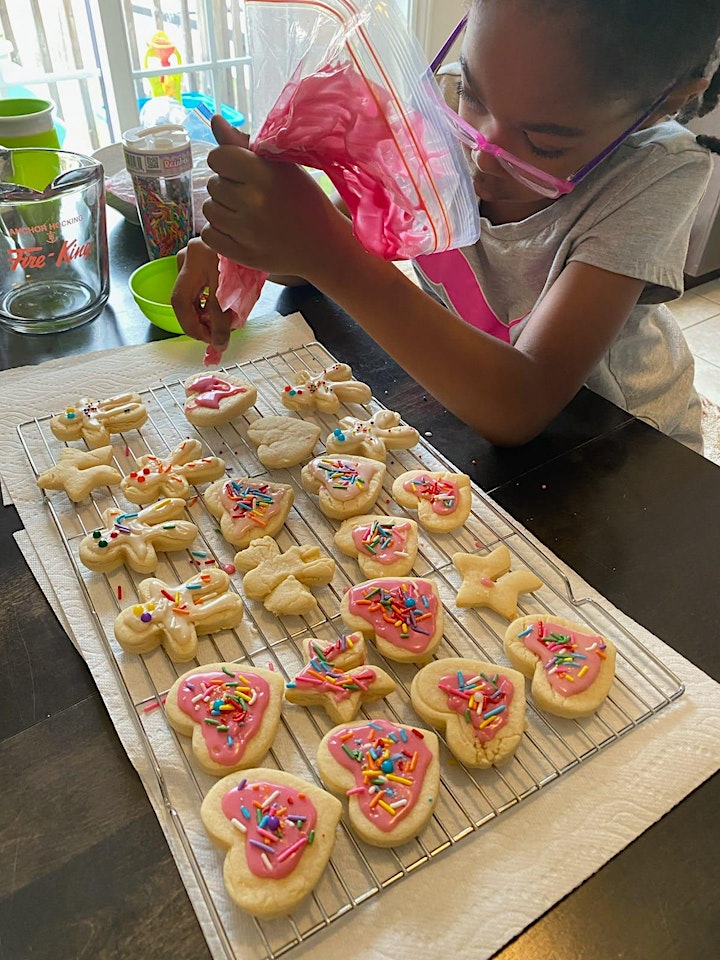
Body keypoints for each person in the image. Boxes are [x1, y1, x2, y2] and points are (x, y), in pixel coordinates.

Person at [171, 0, 720, 451]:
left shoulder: (657, 173)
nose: (483, 155)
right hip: (464, 397)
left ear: (662, 106)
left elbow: (519, 406)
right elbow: (311, 263)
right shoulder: (434, 105)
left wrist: (325, 252)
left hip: (619, 450)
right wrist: (247, 241)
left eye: (545, 144)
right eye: (472, 96)